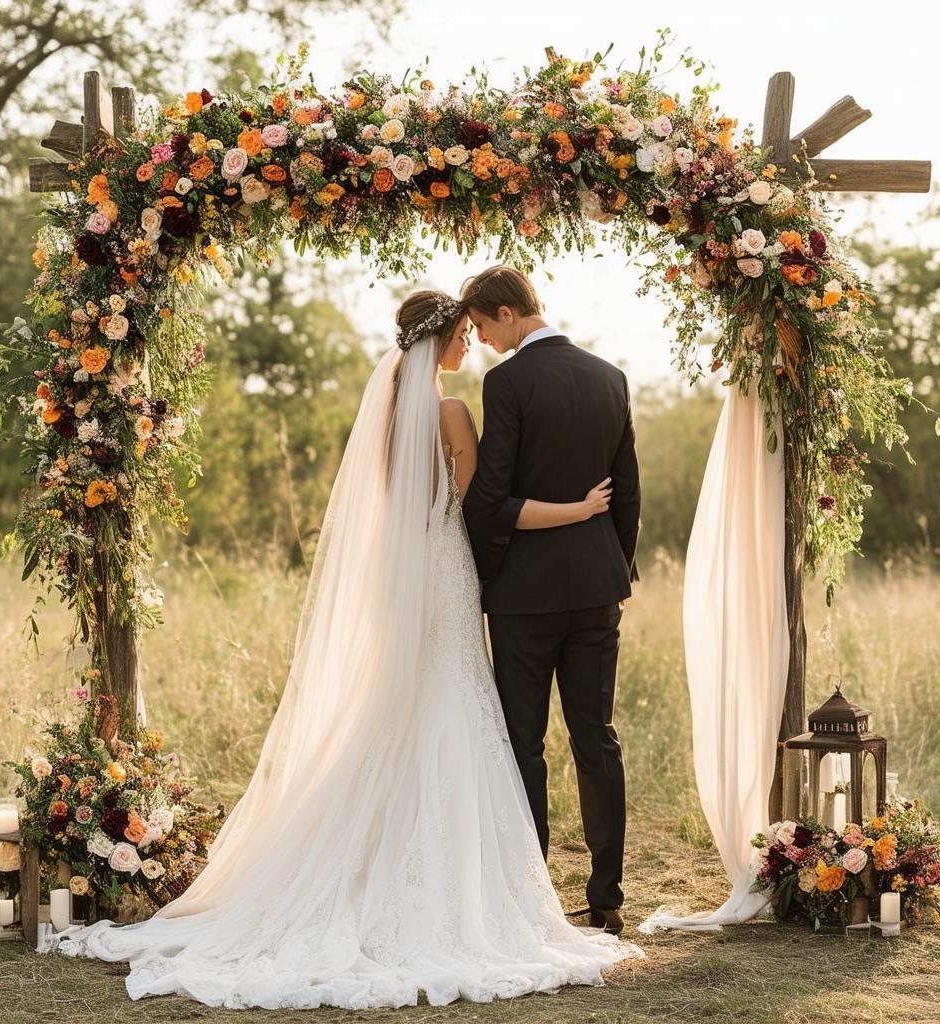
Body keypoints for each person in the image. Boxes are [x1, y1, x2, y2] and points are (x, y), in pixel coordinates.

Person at [53, 288, 643, 1010]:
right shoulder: (500, 402)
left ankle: (470, 878)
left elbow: (453, 506)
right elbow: (490, 503)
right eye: (462, 334)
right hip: (502, 578)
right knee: (541, 729)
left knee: (471, 729)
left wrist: (501, 569)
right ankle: (560, 894)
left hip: (422, 583)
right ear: (443, 338)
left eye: (475, 329)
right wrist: (594, 555)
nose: (472, 344)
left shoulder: (396, 415)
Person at [460, 266, 641, 937]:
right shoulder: (610, 377)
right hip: (598, 591)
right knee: (597, 740)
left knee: (524, 745)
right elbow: (628, 492)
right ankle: (608, 897)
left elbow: (491, 497)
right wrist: (613, 569)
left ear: (508, 313)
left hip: (524, 599)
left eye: (481, 325)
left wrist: (478, 568)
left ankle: (533, 896)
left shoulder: (508, 383)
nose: (478, 340)